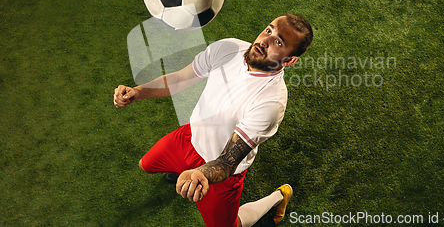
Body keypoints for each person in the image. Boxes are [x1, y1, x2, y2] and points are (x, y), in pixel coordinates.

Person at [114, 14, 313, 227]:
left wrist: (199, 173)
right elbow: (180, 79)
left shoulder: (271, 102)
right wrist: (137, 92)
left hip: (221, 171)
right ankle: (178, 170)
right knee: (145, 165)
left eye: (279, 42)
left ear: (290, 60)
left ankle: (278, 197)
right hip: (188, 138)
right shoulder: (228, 49)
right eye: (269, 30)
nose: (264, 41)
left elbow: (227, 162)